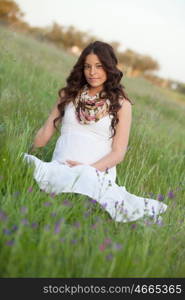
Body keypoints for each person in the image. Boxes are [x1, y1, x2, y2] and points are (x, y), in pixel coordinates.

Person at [22, 41, 167, 223]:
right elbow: (46, 130)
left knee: (86, 181)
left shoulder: (122, 104)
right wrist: (29, 151)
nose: (92, 72)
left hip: (95, 172)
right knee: (24, 162)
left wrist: (86, 169)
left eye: (99, 66)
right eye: (87, 67)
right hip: (61, 166)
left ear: (109, 68)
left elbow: (118, 153)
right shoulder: (69, 95)